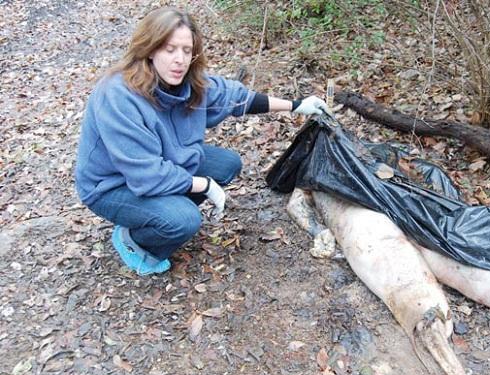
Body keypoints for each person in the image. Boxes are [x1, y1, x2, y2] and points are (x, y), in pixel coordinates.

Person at [75, 7, 330, 275]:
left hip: (162, 160)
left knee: (227, 165)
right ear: (150, 49)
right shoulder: (118, 96)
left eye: (186, 51)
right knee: (184, 219)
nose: (179, 60)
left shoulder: (186, 83)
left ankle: (155, 213)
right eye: (170, 49)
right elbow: (146, 174)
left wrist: (298, 105)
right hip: (111, 185)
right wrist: (204, 185)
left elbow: (236, 98)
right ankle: (136, 241)